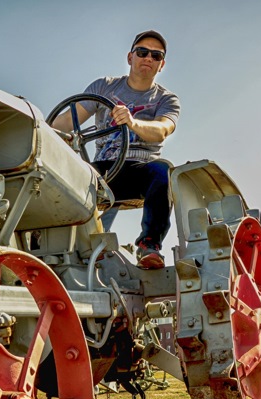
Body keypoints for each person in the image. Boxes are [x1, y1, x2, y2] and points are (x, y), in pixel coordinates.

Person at [51, 30, 180, 269]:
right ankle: (58, 247)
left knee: (164, 172)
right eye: (142, 52)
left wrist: (132, 122)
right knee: (57, 176)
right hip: (102, 171)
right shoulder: (105, 87)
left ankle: (148, 245)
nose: (148, 58)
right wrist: (40, 128)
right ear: (130, 57)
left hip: (139, 171)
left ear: (161, 65)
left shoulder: (167, 100)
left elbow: (162, 129)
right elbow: (70, 120)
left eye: (155, 55)